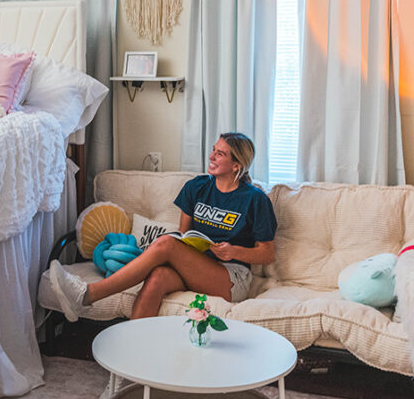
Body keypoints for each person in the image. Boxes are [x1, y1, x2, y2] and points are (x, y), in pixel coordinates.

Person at [50, 132, 277, 321]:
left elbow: (266, 254)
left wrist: (233, 251)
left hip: (230, 276)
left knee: (167, 244)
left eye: (220, 153)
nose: (211, 156)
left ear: (236, 164)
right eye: (213, 150)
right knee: (157, 276)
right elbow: (184, 235)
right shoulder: (197, 187)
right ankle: (133, 360)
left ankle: (88, 295)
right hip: (195, 265)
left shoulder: (254, 199)